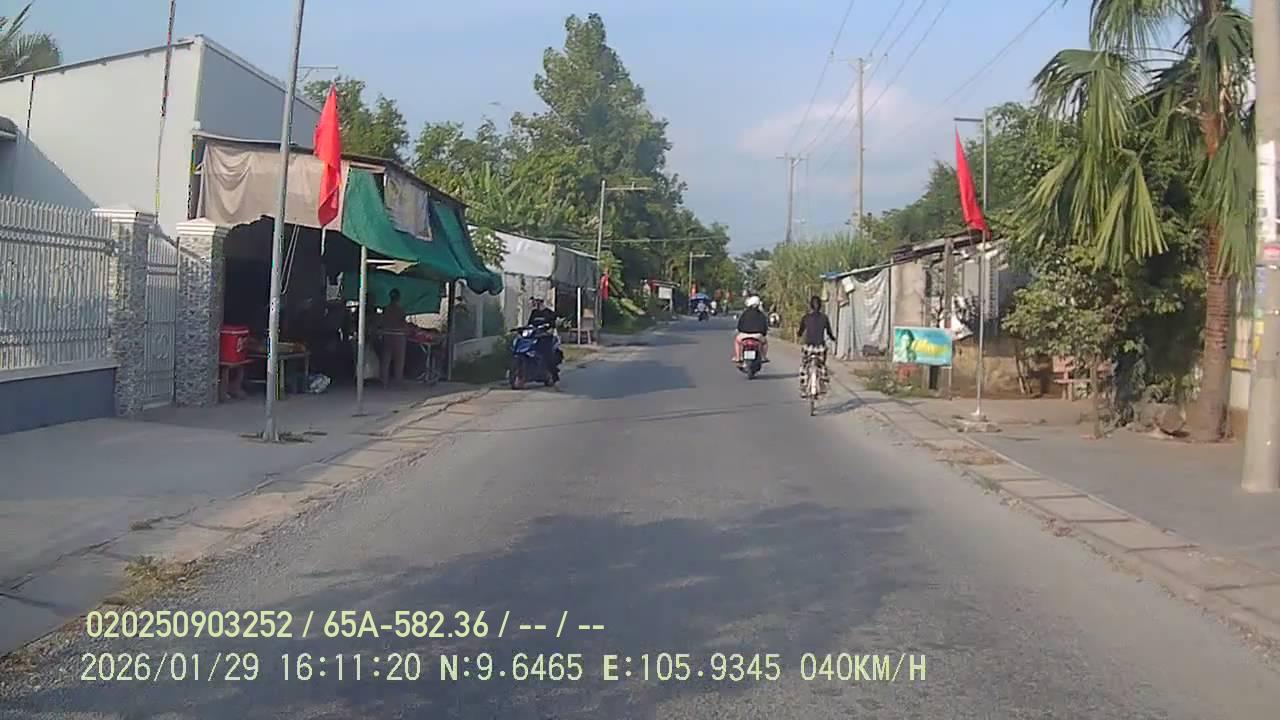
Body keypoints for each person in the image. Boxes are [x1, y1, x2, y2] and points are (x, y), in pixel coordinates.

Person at [798, 295, 836, 396]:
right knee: (822, 365)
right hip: (820, 348)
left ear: (810, 306)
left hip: (808, 347)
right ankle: (823, 382)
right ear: (820, 306)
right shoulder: (824, 318)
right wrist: (833, 338)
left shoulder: (806, 318)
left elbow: (800, 331)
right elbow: (829, 332)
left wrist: (799, 334)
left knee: (804, 365)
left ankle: (803, 386)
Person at [526, 297, 561, 382]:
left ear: (540, 302)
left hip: (546, 338)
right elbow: (529, 325)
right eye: (534, 301)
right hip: (534, 337)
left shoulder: (549, 313)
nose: (534, 303)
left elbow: (552, 327)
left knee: (547, 355)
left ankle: (554, 374)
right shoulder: (534, 313)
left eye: (536, 301)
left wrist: (547, 332)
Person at [379, 289, 408, 386]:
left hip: (387, 335)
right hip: (398, 337)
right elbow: (403, 323)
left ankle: (384, 382)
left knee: (386, 360)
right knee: (399, 361)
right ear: (399, 298)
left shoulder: (385, 309)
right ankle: (398, 382)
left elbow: (381, 322)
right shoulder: (401, 311)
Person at [734, 295, 769, 363]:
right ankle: (763, 357)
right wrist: (763, 334)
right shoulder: (761, 314)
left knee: (737, 341)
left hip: (744, 335)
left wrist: (741, 331)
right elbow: (764, 327)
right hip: (757, 336)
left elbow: (740, 326)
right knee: (765, 343)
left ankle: (738, 357)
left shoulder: (745, 313)